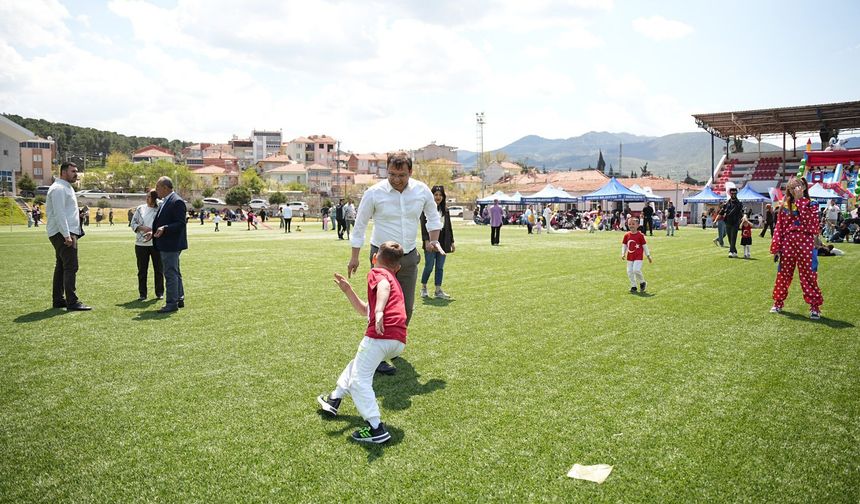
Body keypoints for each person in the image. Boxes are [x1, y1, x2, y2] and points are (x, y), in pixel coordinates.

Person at [348, 151, 441, 375]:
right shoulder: (374, 193)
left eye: (401, 174)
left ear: (410, 171)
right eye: (392, 174)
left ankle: (389, 346)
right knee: (378, 308)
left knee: (406, 309)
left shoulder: (421, 191)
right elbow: (360, 225)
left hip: (408, 256)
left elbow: (433, 216)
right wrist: (354, 256)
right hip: (381, 258)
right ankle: (377, 354)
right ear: (386, 171)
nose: (396, 179)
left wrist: (434, 241)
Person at [317, 241, 407, 444]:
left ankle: (376, 428)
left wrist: (379, 312)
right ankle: (334, 399)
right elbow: (364, 310)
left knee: (359, 381)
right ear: (398, 267)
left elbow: (381, 288)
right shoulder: (394, 279)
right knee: (358, 364)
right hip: (396, 340)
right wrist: (349, 291)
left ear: (374, 258)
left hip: (380, 336)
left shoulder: (378, 274)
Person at [770, 177, 823, 319]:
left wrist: (800, 201)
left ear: (804, 187)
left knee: (809, 275)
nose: (795, 190)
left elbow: (812, 226)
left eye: (798, 186)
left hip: (806, 244)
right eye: (792, 188)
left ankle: (814, 306)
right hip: (788, 244)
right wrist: (776, 246)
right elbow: (779, 228)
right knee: (783, 274)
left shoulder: (812, 204)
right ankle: (778, 302)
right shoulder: (785, 206)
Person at [46, 162, 90, 311]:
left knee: (61, 267)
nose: (76, 174)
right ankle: (72, 302)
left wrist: (79, 214)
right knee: (71, 266)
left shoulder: (65, 187)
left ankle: (59, 300)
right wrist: (66, 235)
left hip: (65, 232)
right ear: (64, 172)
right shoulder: (59, 188)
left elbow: (66, 211)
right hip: (63, 233)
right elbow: (59, 214)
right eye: (73, 171)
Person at [148, 176, 187, 314]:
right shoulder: (167, 200)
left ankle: (172, 303)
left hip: (171, 244)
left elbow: (180, 223)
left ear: (165, 188)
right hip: (167, 242)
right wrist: (153, 233)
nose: (155, 190)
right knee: (175, 271)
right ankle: (179, 298)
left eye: (157, 187)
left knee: (170, 273)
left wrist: (165, 228)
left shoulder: (176, 201)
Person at [420, 185, 455, 300]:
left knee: (440, 267)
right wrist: (426, 241)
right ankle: (424, 288)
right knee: (429, 266)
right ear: (432, 196)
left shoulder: (445, 210)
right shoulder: (426, 208)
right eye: (436, 195)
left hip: (443, 242)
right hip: (430, 241)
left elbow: (449, 227)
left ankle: (438, 290)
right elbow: (423, 227)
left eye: (440, 195)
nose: (438, 197)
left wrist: (452, 242)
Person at [130, 190, 164, 300]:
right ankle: (142, 294)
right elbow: (133, 223)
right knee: (142, 270)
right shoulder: (140, 208)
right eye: (147, 196)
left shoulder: (159, 209)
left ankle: (159, 293)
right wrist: (142, 228)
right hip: (141, 244)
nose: (147, 198)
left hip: (156, 243)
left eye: (149, 197)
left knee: (158, 269)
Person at [621, 216, 652, 293]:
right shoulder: (626, 235)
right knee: (629, 272)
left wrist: (648, 255)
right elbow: (624, 245)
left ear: (638, 225)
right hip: (630, 257)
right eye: (629, 224)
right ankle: (633, 286)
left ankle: (642, 282)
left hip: (638, 257)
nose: (631, 225)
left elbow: (645, 246)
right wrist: (623, 253)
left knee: (636, 270)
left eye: (633, 224)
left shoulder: (640, 235)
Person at [721, 187, 743, 258]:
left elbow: (741, 212)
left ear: (736, 193)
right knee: (729, 237)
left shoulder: (739, 203)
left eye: (735, 193)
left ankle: (730, 251)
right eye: (732, 193)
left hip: (735, 222)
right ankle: (734, 251)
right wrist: (716, 220)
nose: (733, 194)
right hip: (727, 222)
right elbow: (722, 211)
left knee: (734, 237)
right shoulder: (727, 203)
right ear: (730, 194)